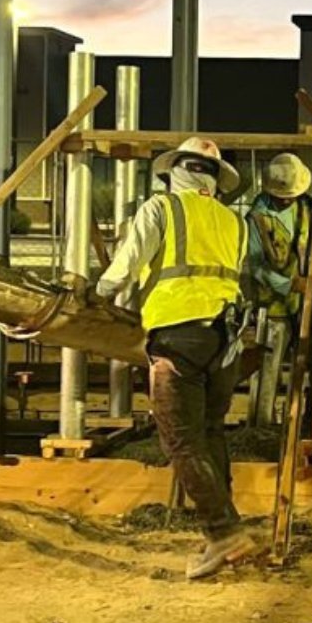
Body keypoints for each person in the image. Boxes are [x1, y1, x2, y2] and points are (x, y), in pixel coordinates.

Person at [96, 137, 254, 579]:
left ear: (175, 171)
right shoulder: (232, 221)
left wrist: (94, 296)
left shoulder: (160, 208)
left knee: (181, 441)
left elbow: (122, 270)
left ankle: (224, 533)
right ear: (215, 179)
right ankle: (219, 537)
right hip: (225, 341)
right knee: (210, 433)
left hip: (178, 337)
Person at [245, 152, 312, 426]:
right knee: (267, 368)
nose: (287, 199)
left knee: (308, 364)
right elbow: (256, 266)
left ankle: (302, 419)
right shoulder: (257, 219)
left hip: (306, 304)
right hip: (273, 305)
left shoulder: (307, 208)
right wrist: (288, 285)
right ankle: (261, 424)